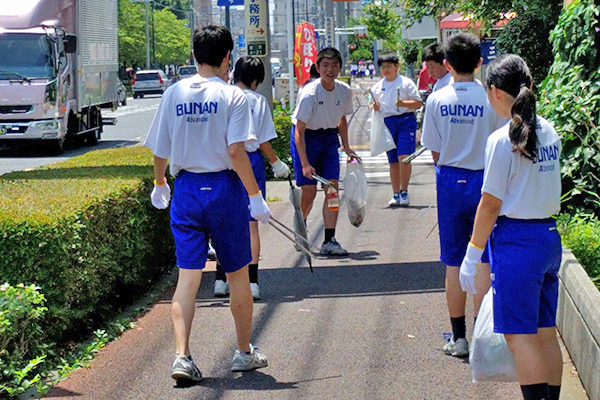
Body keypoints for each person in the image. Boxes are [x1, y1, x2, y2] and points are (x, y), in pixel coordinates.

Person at [144, 25, 270, 383]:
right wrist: (255, 197)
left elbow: (161, 148)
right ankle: (244, 352)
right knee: (237, 275)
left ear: (195, 54)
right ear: (227, 56)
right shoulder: (235, 97)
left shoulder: (174, 92)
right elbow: (236, 151)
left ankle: (182, 356)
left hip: (185, 189)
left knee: (188, 277)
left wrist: (159, 182)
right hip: (224, 189)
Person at [459, 54, 563, 400]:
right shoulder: (550, 130)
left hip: (517, 243)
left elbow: (490, 204)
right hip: (548, 238)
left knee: (520, 337)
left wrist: (472, 254)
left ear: (494, 92)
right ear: (530, 86)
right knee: (545, 332)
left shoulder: (503, 139)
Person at [421, 33, 502, 358]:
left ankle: (459, 338)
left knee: (454, 261)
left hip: (451, 180)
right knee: (481, 256)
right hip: (486, 180)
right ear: (480, 62)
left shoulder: (437, 100)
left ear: (447, 64)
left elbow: (435, 151)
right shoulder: (490, 98)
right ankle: (484, 336)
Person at [213, 56, 290, 300]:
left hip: (224, 161)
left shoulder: (222, 96)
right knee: (251, 224)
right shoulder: (258, 101)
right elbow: (264, 140)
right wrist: (277, 163)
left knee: (224, 220)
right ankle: (252, 282)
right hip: (252, 161)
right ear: (256, 81)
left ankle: (220, 279)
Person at [291, 47, 360, 256]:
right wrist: (304, 162)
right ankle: (300, 227)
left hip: (329, 139)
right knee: (309, 191)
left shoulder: (344, 90)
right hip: (307, 139)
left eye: (334, 65)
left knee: (332, 189)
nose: (330, 70)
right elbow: (299, 130)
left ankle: (329, 239)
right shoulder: (310, 93)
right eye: (325, 66)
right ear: (318, 68)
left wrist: (346, 146)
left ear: (340, 67)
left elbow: (341, 119)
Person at [371, 53, 423, 207]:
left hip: (406, 121)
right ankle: (395, 193)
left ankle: (404, 191)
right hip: (387, 123)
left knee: (404, 158)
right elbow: (372, 104)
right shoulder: (377, 87)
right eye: (383, 67)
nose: (386, 70)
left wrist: (403, 103)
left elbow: (418, 103)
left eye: (389, 66)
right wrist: (374, 107)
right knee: (393, 160)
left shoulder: (406, 83)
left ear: (396, 66)